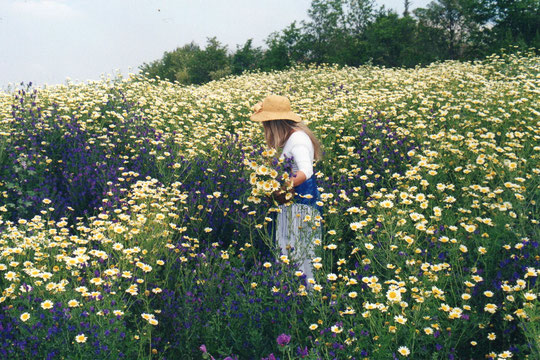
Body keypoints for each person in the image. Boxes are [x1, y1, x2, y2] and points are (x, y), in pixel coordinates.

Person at [250, 94, 323, 285]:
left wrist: (281, 188)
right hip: (295, 207)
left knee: (300, 258)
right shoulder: (293, 138)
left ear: (273, 123)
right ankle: (294, 298)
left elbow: (306, 171)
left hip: (301, 209)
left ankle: (304, 302)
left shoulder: (297, 140)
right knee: (293, 256)